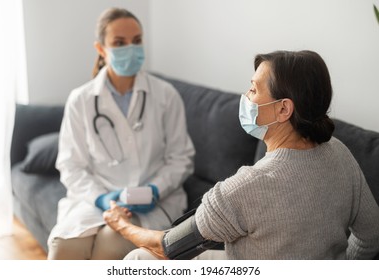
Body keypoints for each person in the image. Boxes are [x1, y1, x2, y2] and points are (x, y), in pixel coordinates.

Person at [103, 50, 379, 260]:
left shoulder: (248, 187)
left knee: (139, 258)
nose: (245, 96)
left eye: (254, 89)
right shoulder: (341, 154)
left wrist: (121, 224)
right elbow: (371, 236)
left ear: (284, 110)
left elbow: (168, 248)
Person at [47, 7, 195, 260]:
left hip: (153, 203)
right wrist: (103, 199)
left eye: (137, 41)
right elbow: (71, 165)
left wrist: (155, 190)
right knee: (64, 248)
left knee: (110, 245)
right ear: (101, 49)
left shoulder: (165, 95)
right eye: (119, 42)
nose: (131, 48)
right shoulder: (80, 100)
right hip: (95, 199)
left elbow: (181, 158)